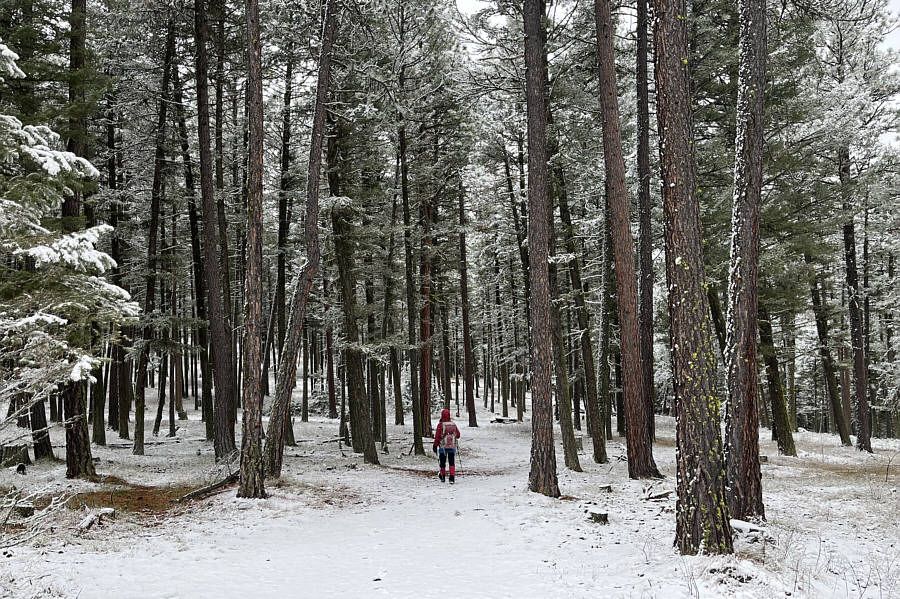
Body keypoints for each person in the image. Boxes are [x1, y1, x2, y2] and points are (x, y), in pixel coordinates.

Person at [433, 408, 460, 483]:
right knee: (451, 462)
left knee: (442, 462)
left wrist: (435, 445)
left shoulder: (440, 425)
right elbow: (458, 435)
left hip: (443, 447)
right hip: (452, 447)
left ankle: (443, 476)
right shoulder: (453, 424)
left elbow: (437, 436)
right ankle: (452, 477)